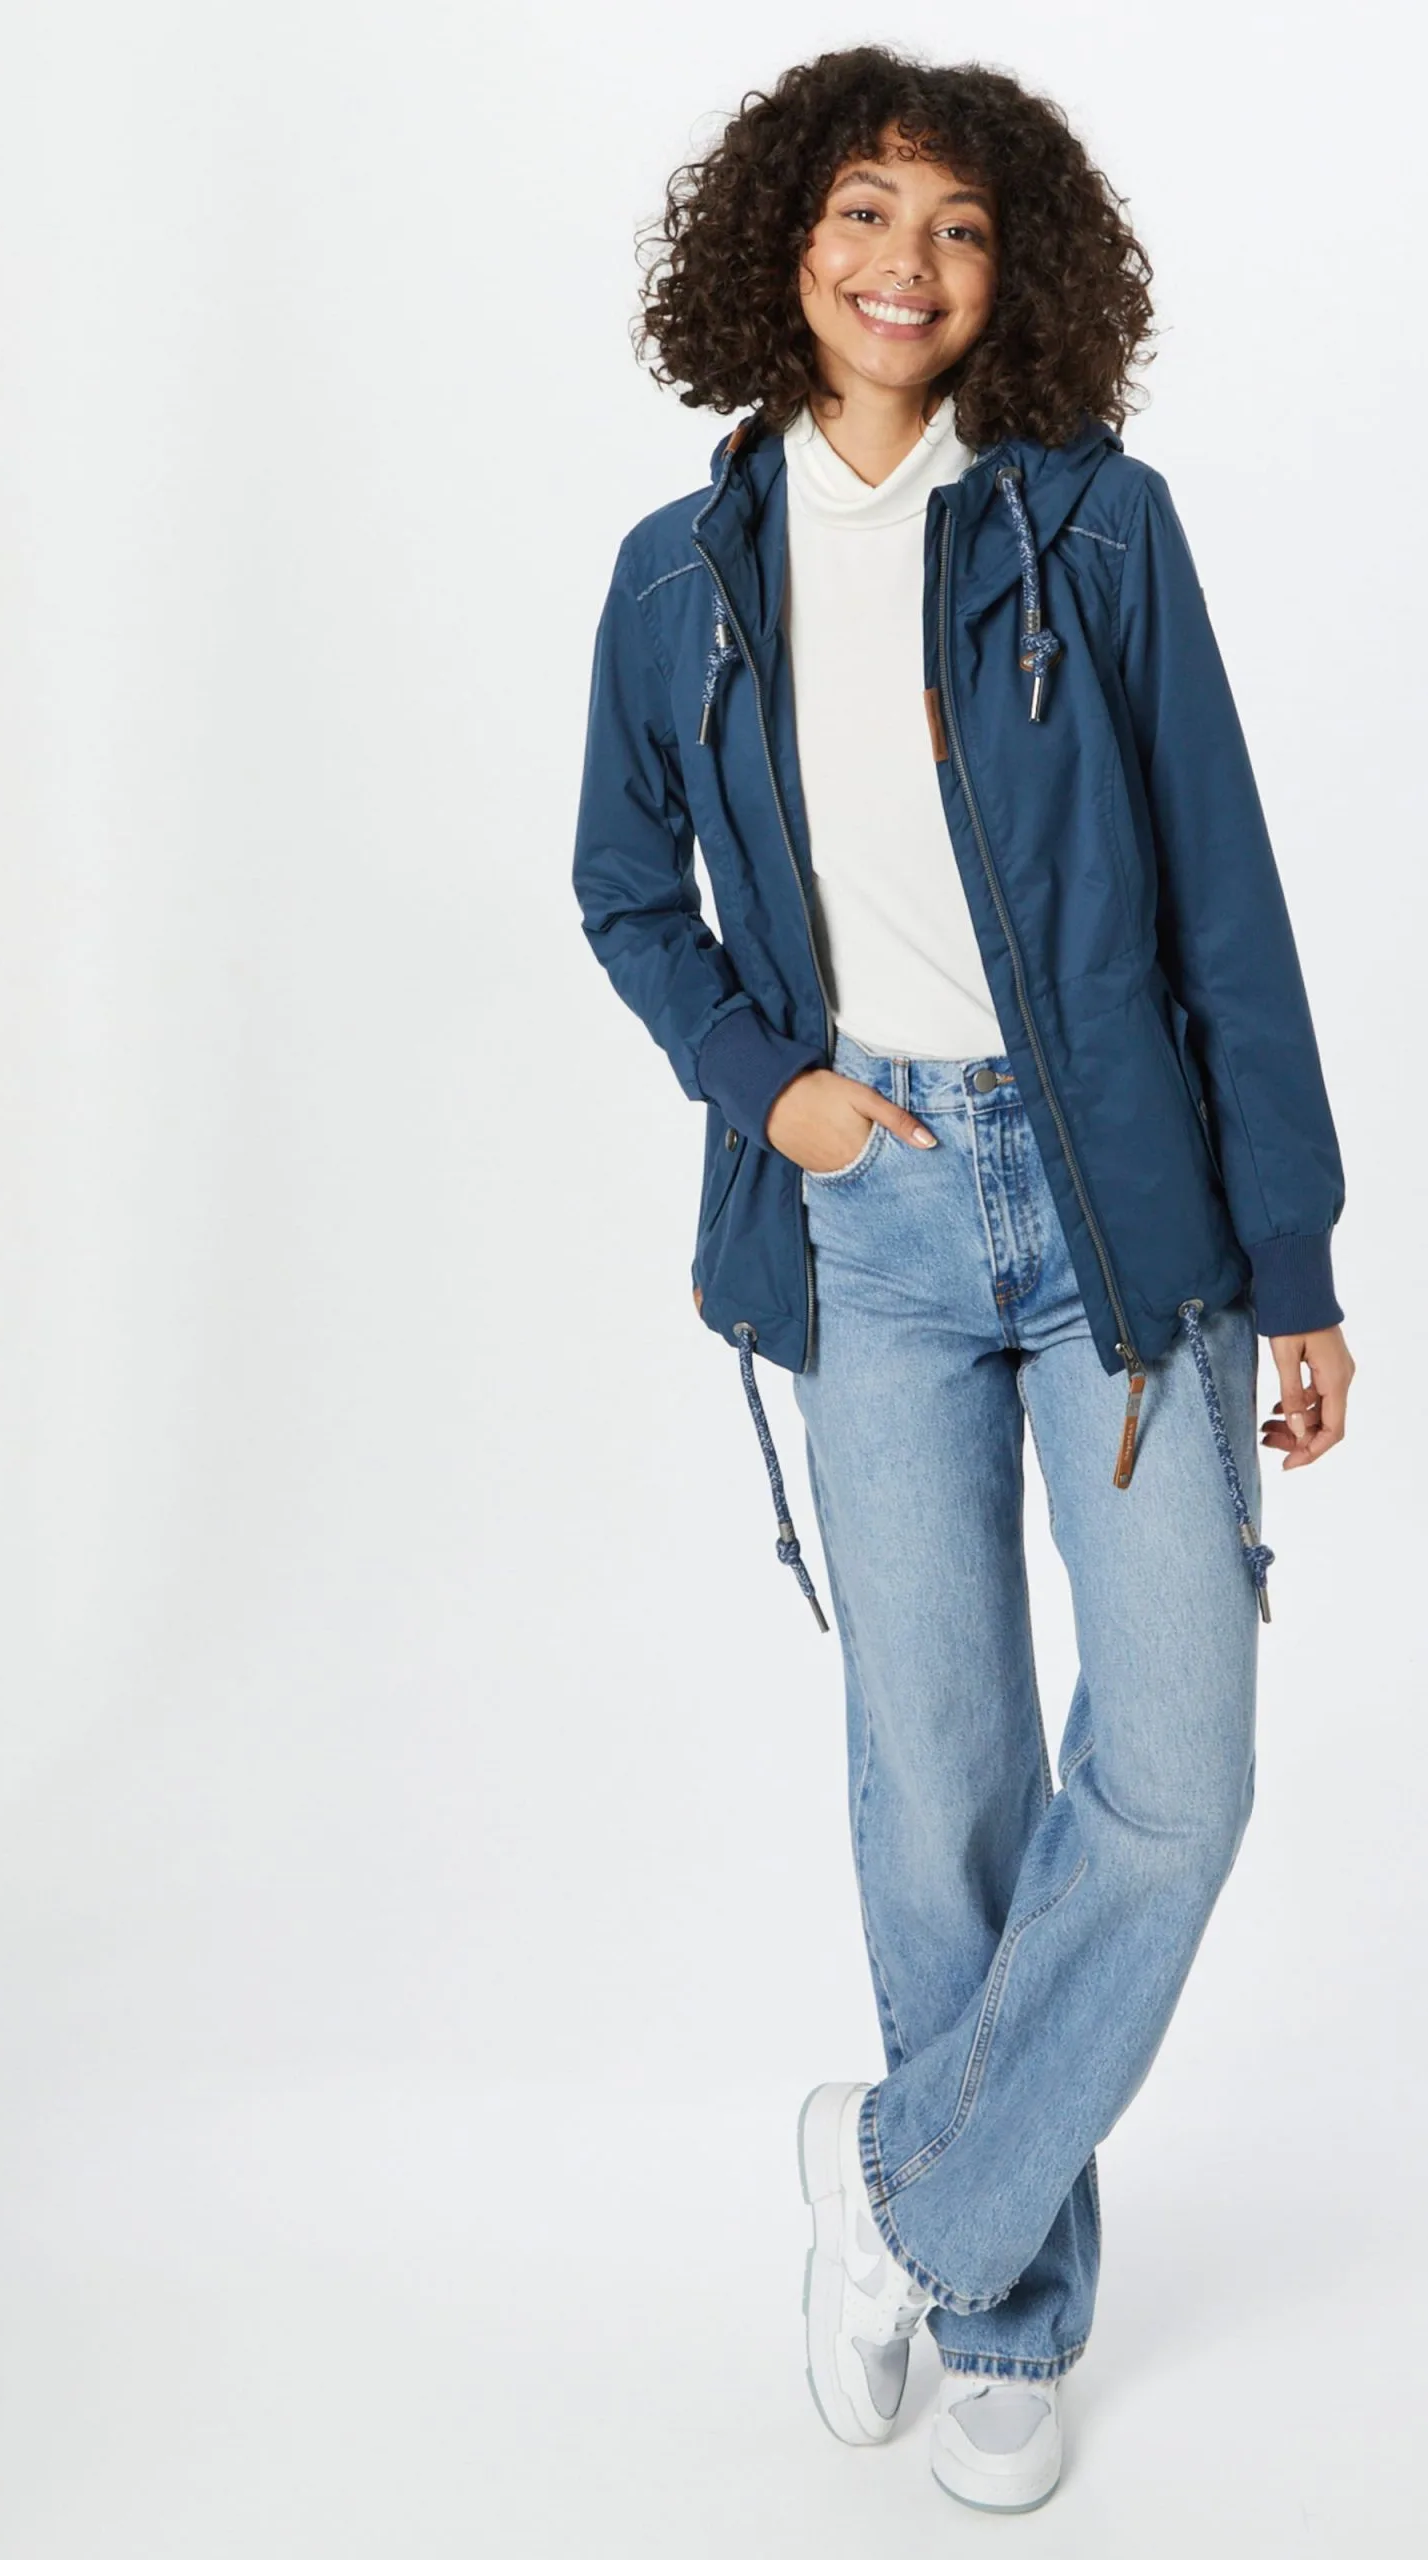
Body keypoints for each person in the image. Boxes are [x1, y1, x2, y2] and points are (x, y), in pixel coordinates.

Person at [572, 46, 1355, 2515]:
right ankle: (1005, 2307)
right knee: (946, 1793)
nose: (905, 263)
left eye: (960, 227)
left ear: (1021, 278)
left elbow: (1224, 900)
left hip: (1120, 1213)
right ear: (780, 246)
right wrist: (772, 1087)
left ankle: (900, 2179)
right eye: (861, 212)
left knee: (1180, 1771)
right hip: (871, 1220)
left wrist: (1296, 1256)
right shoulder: (679, 577)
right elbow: (623, 886)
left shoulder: (1097, 531)